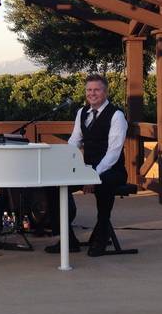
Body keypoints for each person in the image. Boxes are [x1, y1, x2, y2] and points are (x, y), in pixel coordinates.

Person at [45, 74, 128, 257]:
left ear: (105, 92)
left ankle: (101, 236)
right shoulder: (82, 112)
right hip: (87, 169)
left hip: (112, 170)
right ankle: (68, 239)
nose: (92, 93)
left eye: (96, 90)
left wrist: (93, 176)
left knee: (104, 185)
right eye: (89, 90)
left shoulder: (117, 116)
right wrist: (66, 163)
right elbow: (74, 141)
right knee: (54, 186)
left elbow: (113, 153)